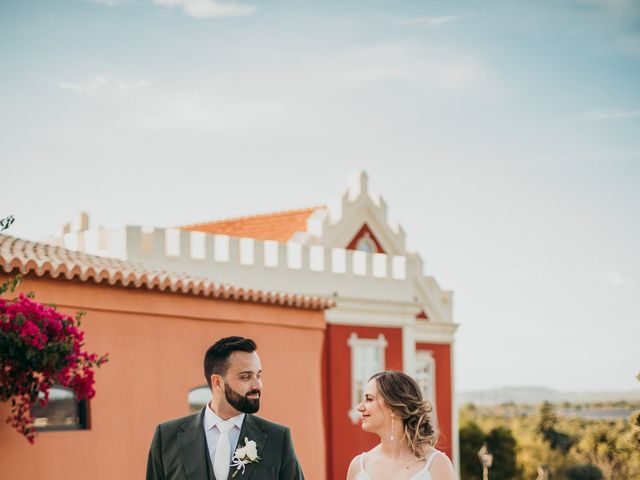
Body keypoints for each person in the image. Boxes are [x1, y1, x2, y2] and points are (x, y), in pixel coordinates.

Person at [146, 336, 305, 480]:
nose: (257, 385)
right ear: (217, 382)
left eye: (258, 376)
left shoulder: (278, 439)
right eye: (245, 377)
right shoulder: (166, 437)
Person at [346, 371, 456, 480]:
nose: (360, 407)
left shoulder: (437, 464)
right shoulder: (358, 467)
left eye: (369, 399)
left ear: (395, 407)